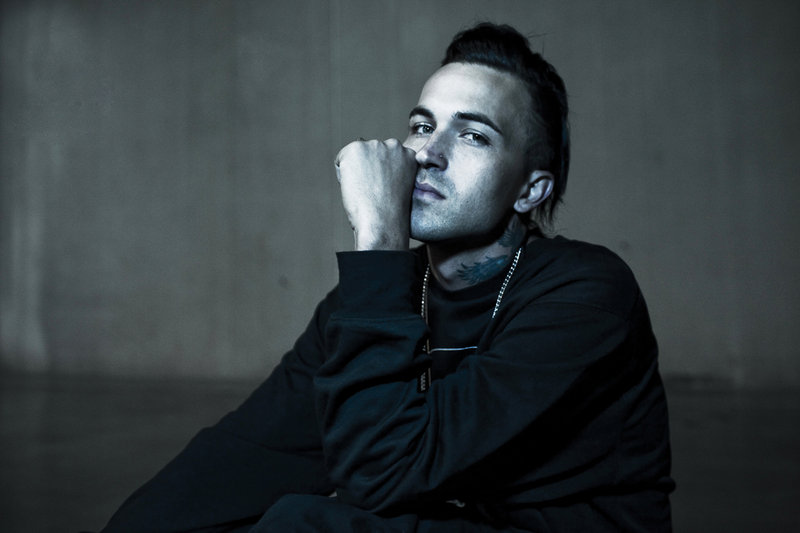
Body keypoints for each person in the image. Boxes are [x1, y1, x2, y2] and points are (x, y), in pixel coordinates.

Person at [99, 22, 674, 532]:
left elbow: (382, 473)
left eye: (473, 135)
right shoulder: (381, 297)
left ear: (530, 190)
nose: (427, 154)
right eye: (422, 126)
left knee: (306, 524)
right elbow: (249, 455)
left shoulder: (586, 293)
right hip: (450, 518)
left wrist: (378, 234)